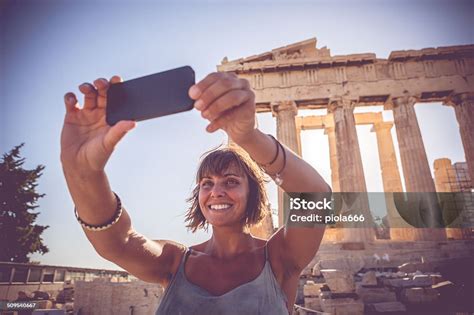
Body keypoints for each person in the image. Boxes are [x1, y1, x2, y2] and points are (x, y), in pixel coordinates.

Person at [60, 72, 331, 314]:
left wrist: (249, 137)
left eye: (231, 181)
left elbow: (315, 196)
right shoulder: (175, 261)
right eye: (206, 183)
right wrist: (83, 173)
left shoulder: (279, 257)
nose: (216, 192)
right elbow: (117, 242)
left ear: (253, 193)